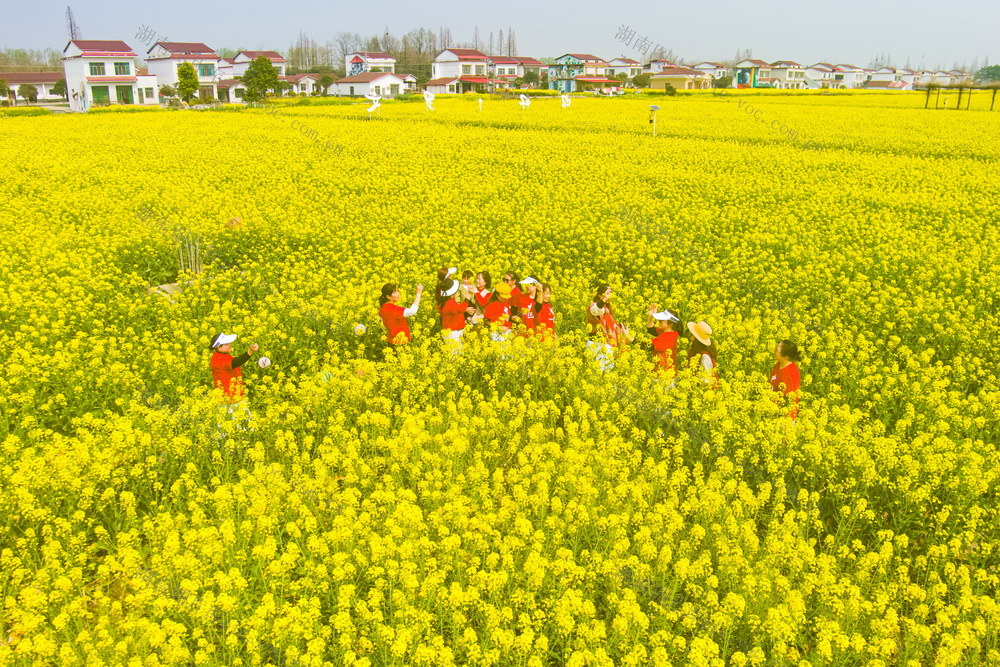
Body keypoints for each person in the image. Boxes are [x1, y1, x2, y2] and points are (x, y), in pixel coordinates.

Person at [209, 333, 259, 404]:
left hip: (234, 396)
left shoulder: (220, 356)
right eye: (226, 344)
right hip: (228, 398)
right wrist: (250, 351)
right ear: (219, 347)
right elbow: (237, 362)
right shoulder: (219, 359)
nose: (230, 345)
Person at [586, 284, 627, 370]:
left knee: (608, 373)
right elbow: (596, 310)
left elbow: (612, 326)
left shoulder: (607, 309)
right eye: (607, 293)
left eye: (610, 293)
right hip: (596, 344)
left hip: (606, 345)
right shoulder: (594, 306)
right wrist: (604, 299)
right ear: (600, 295)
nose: (609, 296)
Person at [770, 340, 802, 420]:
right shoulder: (778, 365)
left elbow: (788, 398)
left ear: (786, 356)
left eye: (777, 350)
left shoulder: (790, 372)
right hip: (773, 410)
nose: (774, 351)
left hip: (785, 416)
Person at [647, 305, 681, 375]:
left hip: (665, 376)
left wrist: (629, 337)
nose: (658, 322)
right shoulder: (666, 332)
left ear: (670, 324)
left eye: (661, 321)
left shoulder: (669, 337)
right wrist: (650, 318)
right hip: (660, 372)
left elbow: (649, 346)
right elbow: (651, 330)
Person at [687, 321, 719, 385]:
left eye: (692, 333)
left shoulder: (705, 357)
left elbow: (707, 379)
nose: (690, 333)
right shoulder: (695, 351)